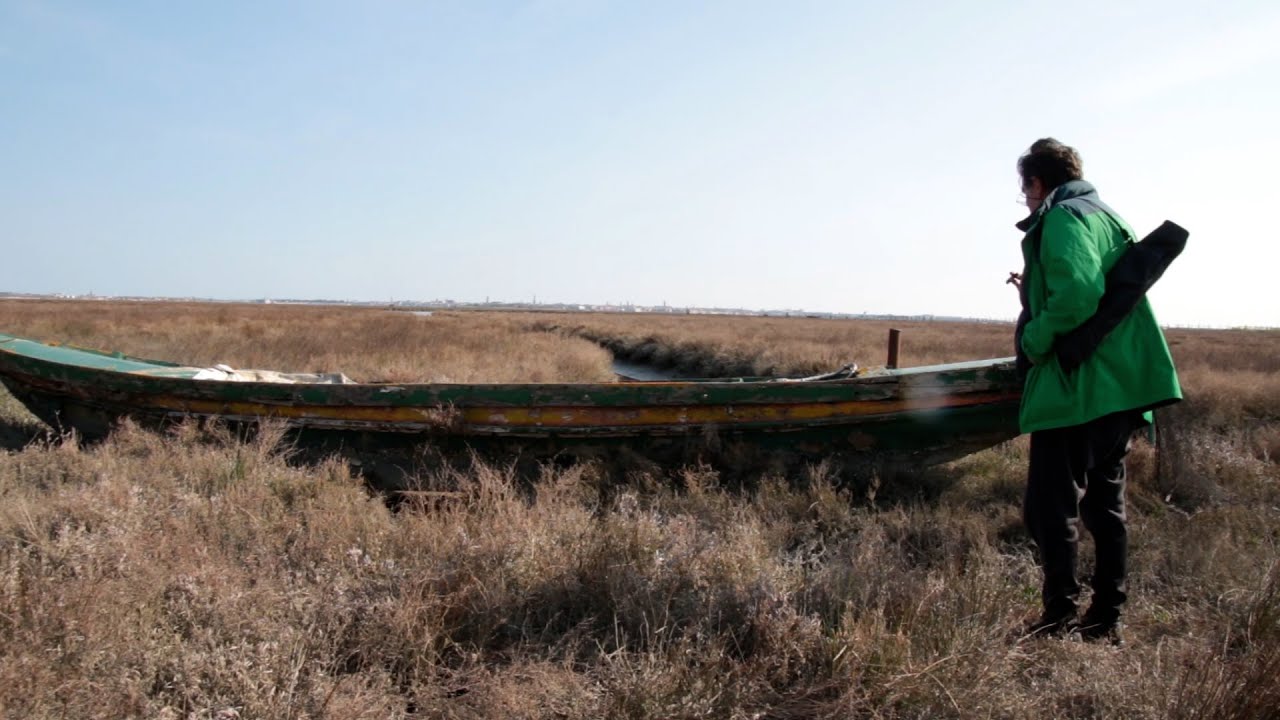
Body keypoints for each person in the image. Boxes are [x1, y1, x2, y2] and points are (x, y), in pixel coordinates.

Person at [1012, 138, 1182, 644]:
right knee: (1106, 509)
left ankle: (1058, 617)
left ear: (1038, 184)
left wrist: (1034, 340)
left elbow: (1079, 296)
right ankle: (1106, 618)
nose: (1025, 202)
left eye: (1025, 192)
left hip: (1079, 390)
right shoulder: (1108, 216)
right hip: (1122, 390)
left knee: (1051, 508)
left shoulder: (1063, 218)